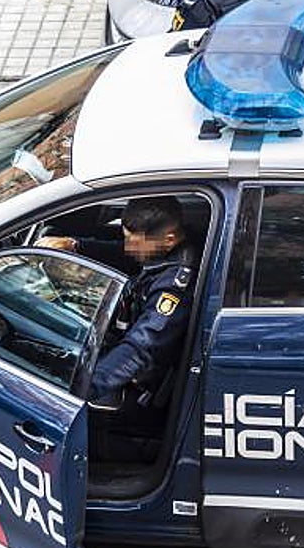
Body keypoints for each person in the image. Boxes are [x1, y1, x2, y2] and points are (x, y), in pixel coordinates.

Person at [38, 197, 197, 461]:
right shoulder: (165, 251)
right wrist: (76, 246)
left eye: (132, 240)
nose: (126, 246)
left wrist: (81, 389)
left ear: (169, 239)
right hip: (127, 360)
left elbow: (140, 349)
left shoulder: (174, 288)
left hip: (143, 392)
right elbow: (129, 256)